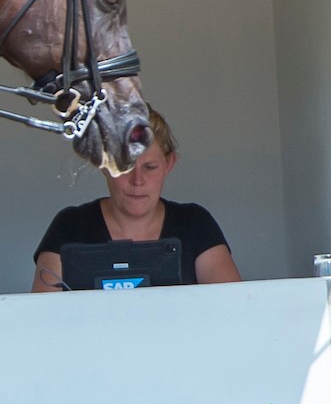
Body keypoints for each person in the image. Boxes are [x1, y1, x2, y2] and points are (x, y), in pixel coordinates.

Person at [30, 107, 242, 290]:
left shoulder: (195, 224)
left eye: (150, 167)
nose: (137, 180)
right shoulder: (70, 227)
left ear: (169, 164)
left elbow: (234, 309)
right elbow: (43, 318)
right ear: (105, 164)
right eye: (125, 167)